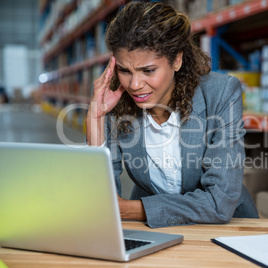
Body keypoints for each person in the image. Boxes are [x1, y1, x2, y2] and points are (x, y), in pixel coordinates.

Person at [86, 1, 258, 228]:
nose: (134, 84)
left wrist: (134, 209)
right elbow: (101, 200)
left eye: (148, 70)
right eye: (125, 70)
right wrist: (96, 119)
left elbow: (219, 203)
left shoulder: (221, 93)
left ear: (177, 60)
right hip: (155, 228)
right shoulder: (116, 102)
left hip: (227, 227)